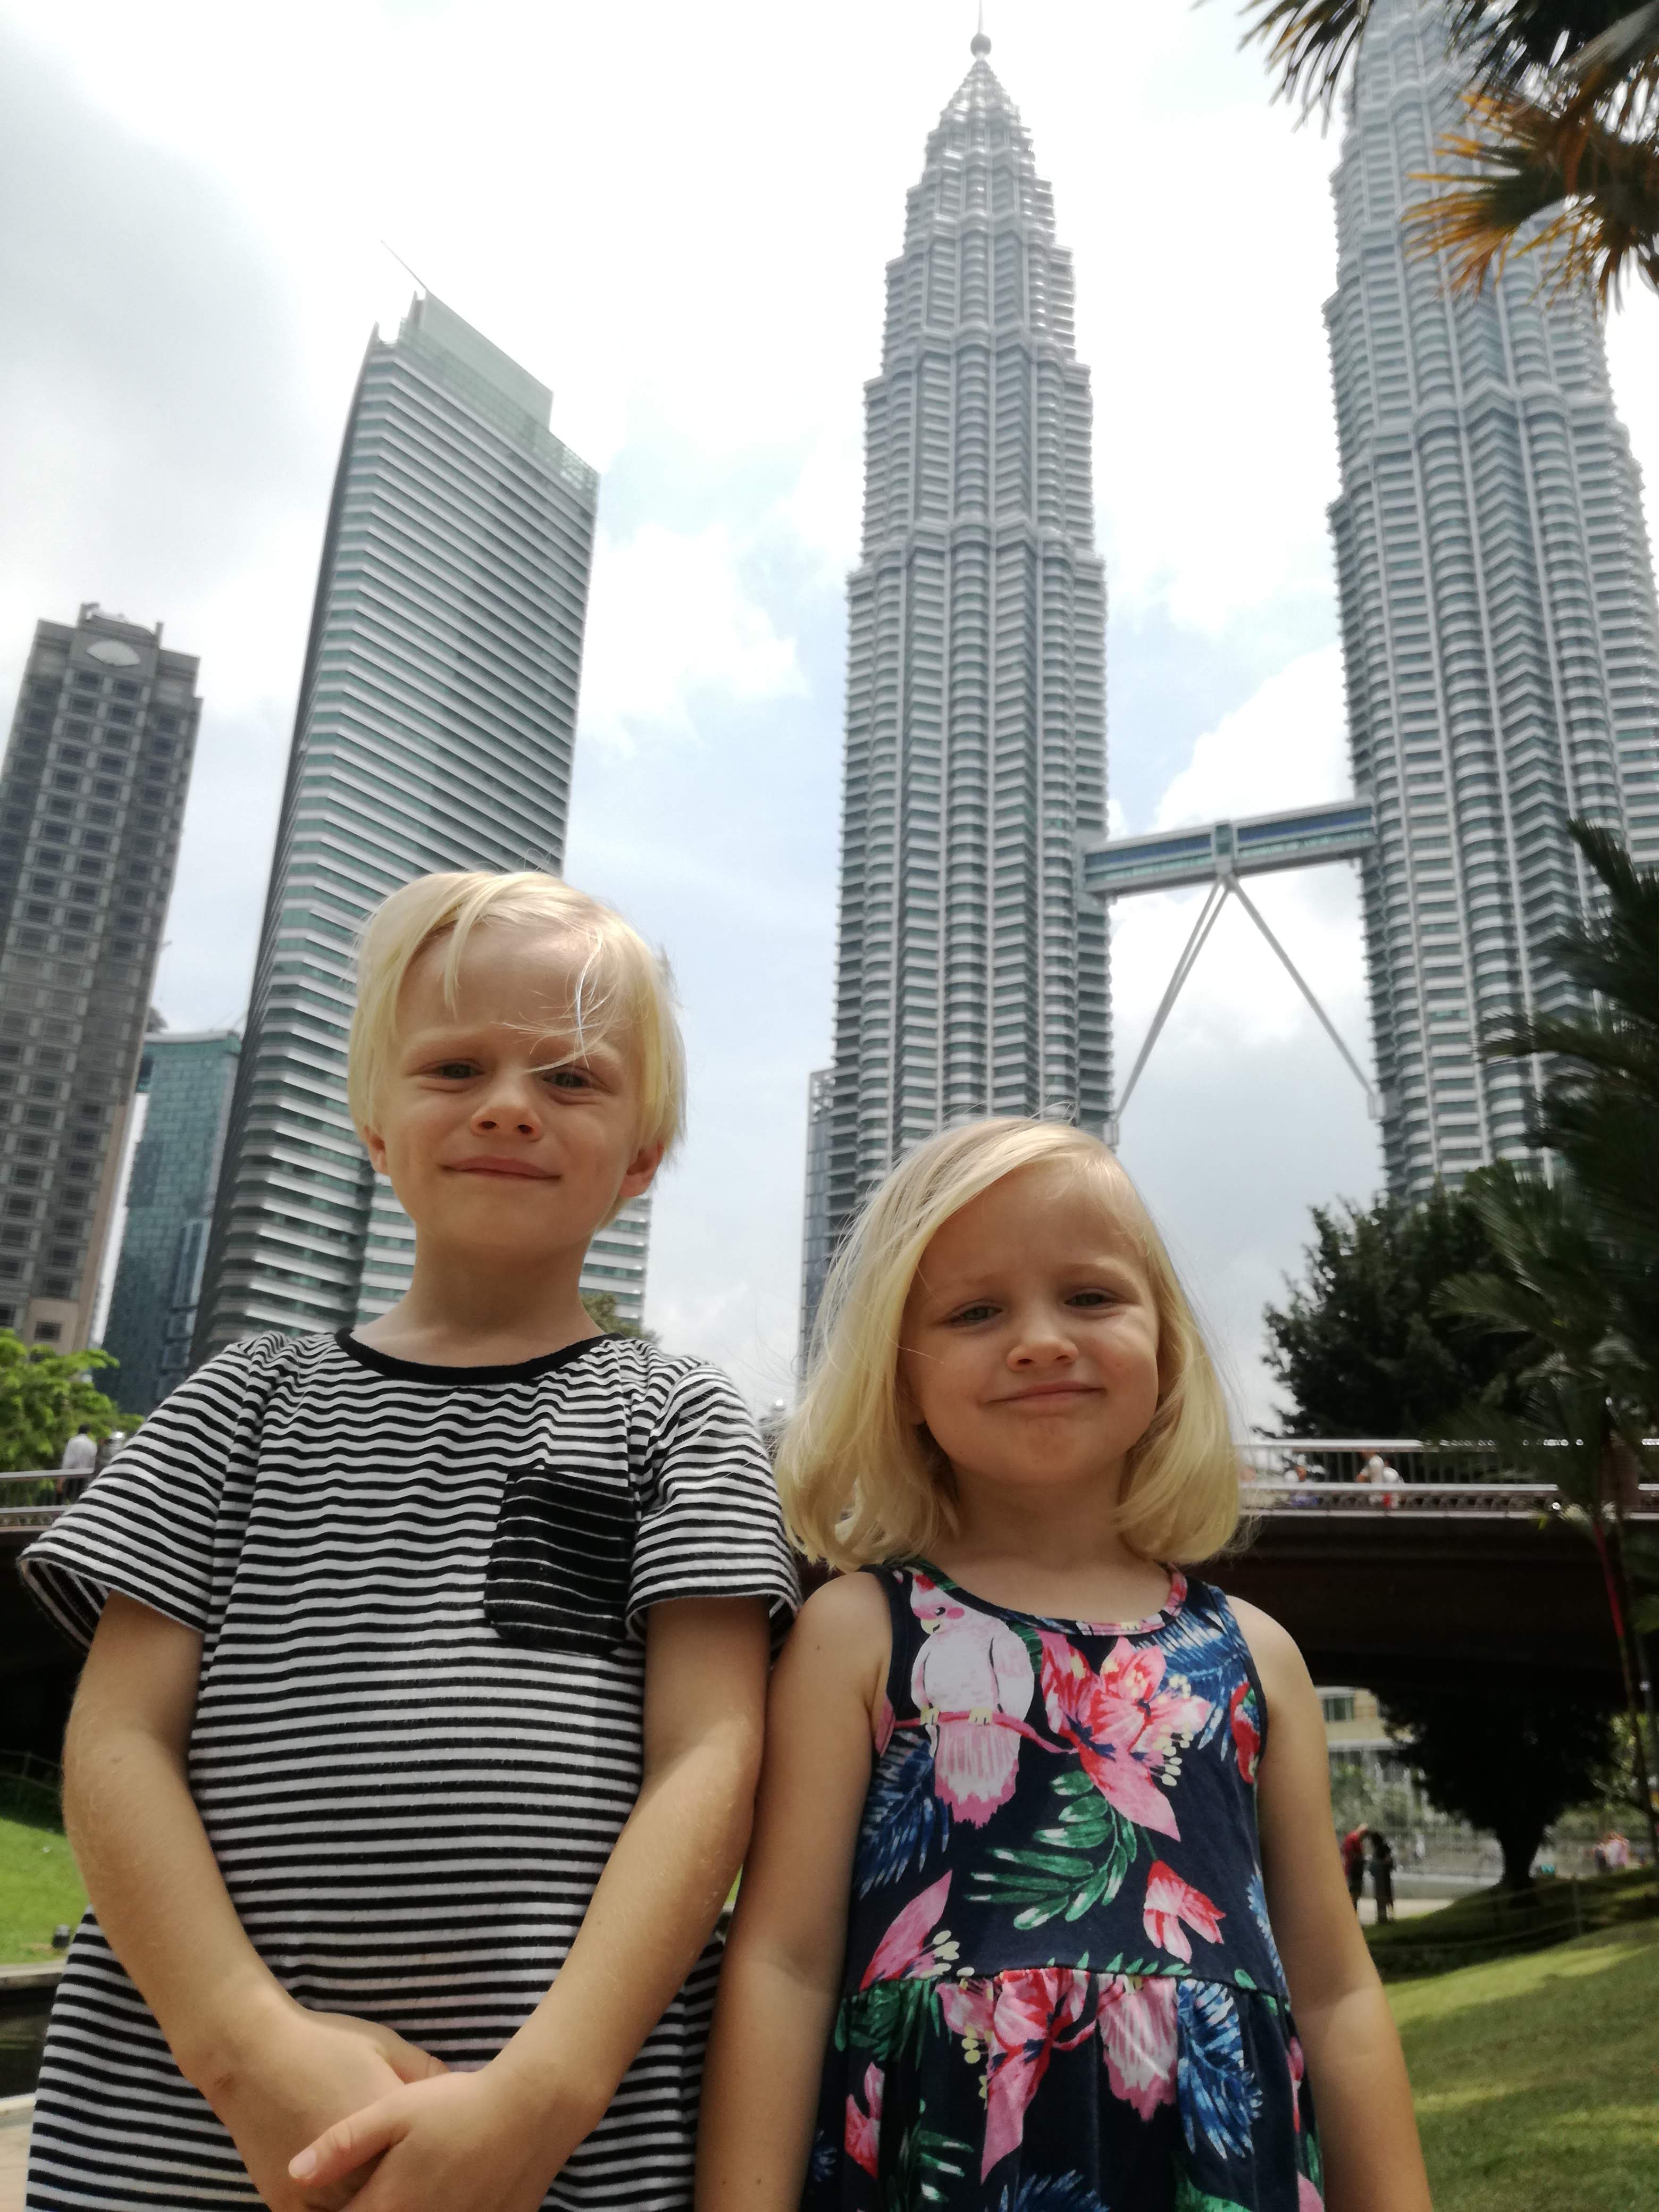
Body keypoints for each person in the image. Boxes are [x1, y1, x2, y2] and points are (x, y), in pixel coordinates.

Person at [20, 870, 799, 2212]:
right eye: (454, 1065)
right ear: (375, 1126)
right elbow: (117, 1738)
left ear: (641, 1158)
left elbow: (708, 1758)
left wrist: (546, 2090)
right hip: (183, 2128)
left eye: (569, 1077)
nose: (508, 1102)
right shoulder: (239, 1400)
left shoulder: (675, 1418)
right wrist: (244, 2046)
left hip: (551, 2147)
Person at [697, 1118, 1431, 2212]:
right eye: (976, 1311)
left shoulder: (1256, 1655)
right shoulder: (856, 1634)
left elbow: (1332, 1990)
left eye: (1090, 1297)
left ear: (1167, 1347)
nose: (1041, 1340)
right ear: (899, 1376)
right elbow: (785, 1964)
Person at [56, 1424, 96, 1501]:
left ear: (78, 1431)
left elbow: (67, 1461)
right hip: (85, 1477)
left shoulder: (73, 1442)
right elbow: (93, 1463)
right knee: (79, 1500)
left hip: (72, 1476)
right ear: (88, 1432)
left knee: (62, 1498)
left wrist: (61, 1480)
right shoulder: (92, 1444)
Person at [1369, 1830, 1396, 1925]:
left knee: (1383, 1897)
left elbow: (1388, 1860)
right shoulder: (1382, 1848)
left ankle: (1386, 1917)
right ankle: (1386, 1916)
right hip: (1383, 1876)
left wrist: (1378, 1864)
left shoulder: (1382, 1849)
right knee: (1387, 1896)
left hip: (1382, 1876)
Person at [1340, 1822, 1370, 1908]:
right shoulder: (1352, 1838)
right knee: (1353, 1891)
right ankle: (1352, 1911)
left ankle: (1355, 1911)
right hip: (1353, 1869)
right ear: (1362, 1832)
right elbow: (1351, 1854)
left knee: (1357, 1892)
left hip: (1357, 1869)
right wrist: (1362, 1859)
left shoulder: (1358, 1840)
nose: (1365, 1838)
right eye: (1365, 1835)